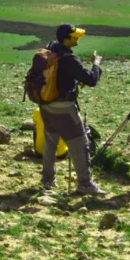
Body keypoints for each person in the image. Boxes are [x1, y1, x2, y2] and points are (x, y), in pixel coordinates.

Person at [39, 24, 106, 195]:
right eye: (74, 36)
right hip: (64, 108)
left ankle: (47, 179)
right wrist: (96, 64)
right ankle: (85, 183)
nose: (78, 39)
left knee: (50, 141)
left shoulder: (49, 49)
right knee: (80, 144)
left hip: (46, 105)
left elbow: (59, 76)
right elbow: (91, 80)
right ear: (66, 39)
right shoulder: (68, 57)